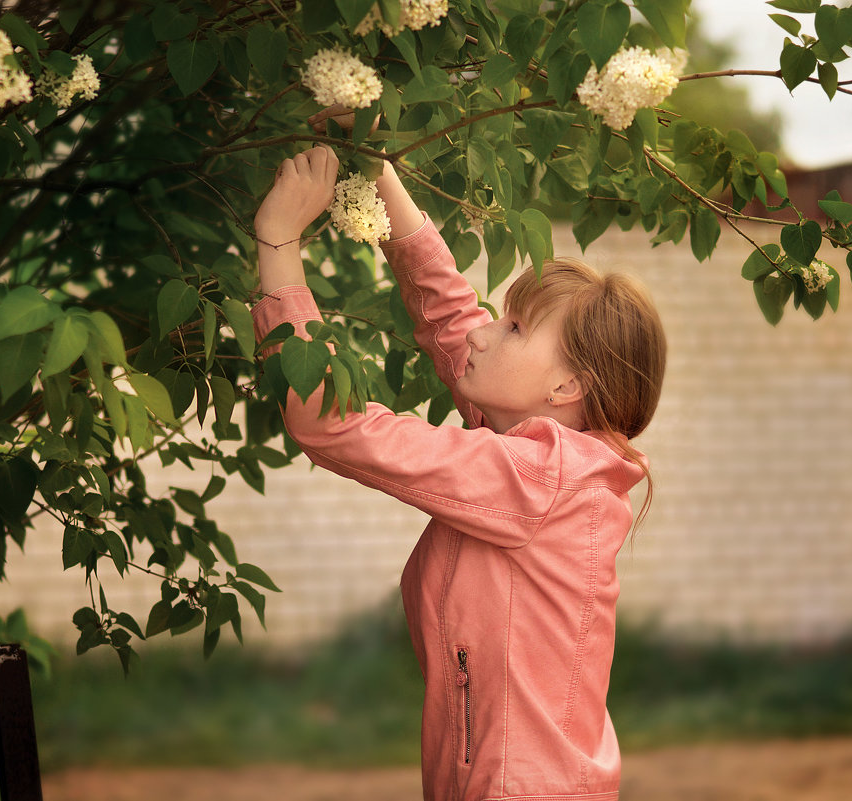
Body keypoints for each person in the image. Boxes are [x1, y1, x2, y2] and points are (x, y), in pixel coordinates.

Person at [250, 142, 667, 801]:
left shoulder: (536, 476)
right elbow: (449, 313)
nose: (484, 332)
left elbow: (329, 421)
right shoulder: (534, 450)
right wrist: (375, 165)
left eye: (514, 328)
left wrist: (277, 242)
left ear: (565, 386)